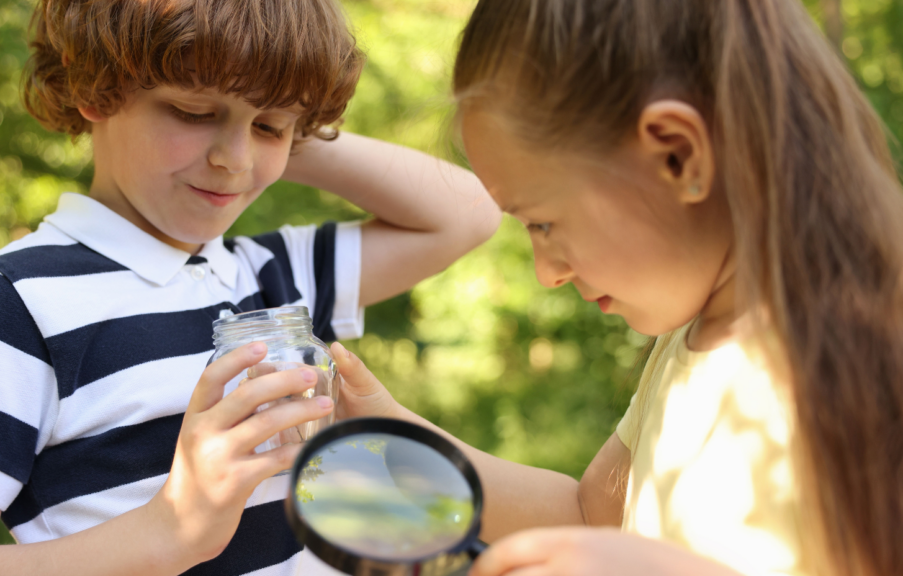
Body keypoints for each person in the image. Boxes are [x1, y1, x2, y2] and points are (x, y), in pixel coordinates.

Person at [0, 1, 501, 575]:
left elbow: (467, 213)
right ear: (95, 89)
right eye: (195, 113)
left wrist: (287, 109)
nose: (235, 159)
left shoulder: (275, 275)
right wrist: (166, 531)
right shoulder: (17, 298)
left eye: (271, 128)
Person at [328, 1, 903, 575]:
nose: (547, 273)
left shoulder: (856, 359)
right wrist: (391, 438)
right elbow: (589, 517)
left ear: (678, 154)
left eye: (543, 223)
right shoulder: (689, 338)